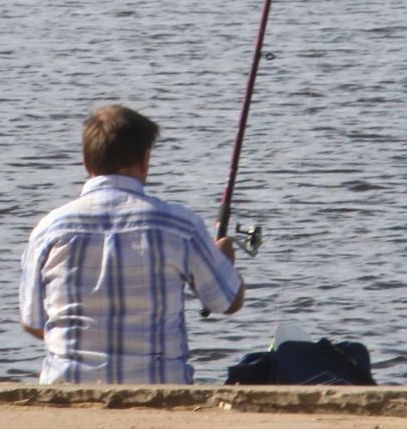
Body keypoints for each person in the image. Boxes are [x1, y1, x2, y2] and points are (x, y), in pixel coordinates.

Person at [19, 104, 245, 385]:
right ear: (145, 159)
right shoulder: (180, 225)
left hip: (67, 391)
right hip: (162, 391)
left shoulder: (48, 229)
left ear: (86, 162)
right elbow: (228, 302)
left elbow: (32, 322)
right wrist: (224, 260)